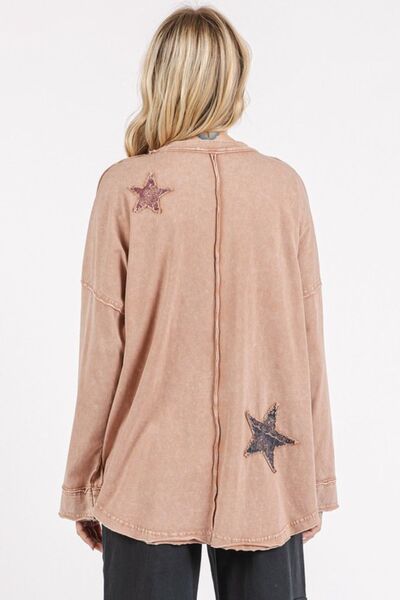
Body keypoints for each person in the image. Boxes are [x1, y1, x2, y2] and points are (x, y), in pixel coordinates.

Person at [58, 6, 339, 599]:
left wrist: (83, 484)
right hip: (264, 470)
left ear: (159, 78)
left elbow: (100, 351)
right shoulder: (282, 187)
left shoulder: (124, 187)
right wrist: (311, 480)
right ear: (233, 78)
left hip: (145, 472)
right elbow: (309, 344)